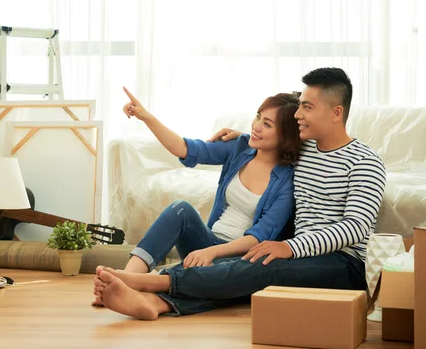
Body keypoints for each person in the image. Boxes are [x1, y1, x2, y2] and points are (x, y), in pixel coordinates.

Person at [93, 68, 387, 320]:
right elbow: (273, 140)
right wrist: (243, 137)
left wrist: (290, 248)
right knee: (251, 271)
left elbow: (356, 227)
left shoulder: (365, 162)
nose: (299, 113)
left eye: (307, 107)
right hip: (301, 255)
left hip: (343, 264)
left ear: (337, 112)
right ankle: (155, 303)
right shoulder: (303, 149)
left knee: (260, 267)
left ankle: (151, 283)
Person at [91, 86, 302, 306]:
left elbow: (259, 237)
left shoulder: (287, 181)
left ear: (285, 136)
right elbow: (186, 148)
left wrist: (210, 253)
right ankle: (125, 279)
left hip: (239, 259)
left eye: (267, 124)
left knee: (210, 278)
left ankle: (146, 296)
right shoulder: (240, 147)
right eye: (258, 117)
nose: (256, 126)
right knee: (181, 209)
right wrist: (145, 116)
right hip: (206, 241)